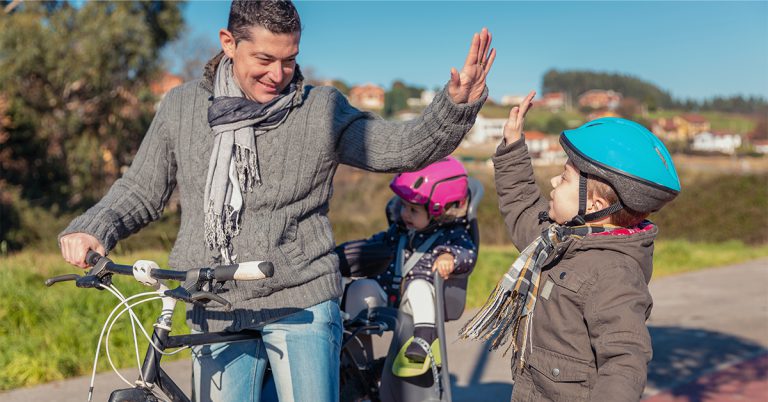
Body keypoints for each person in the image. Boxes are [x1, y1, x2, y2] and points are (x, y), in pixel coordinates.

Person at [58, 1, 495, 401]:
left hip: (300, 298)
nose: (278, 74)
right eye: (264, 59)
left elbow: (398, 148)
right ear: (229, 43)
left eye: (289, 60)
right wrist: (94, 227)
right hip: (214, 301)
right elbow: (141, 189)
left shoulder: (321, 110)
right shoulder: (181, 107)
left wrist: (455, 106)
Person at [459, 91, 681, 401]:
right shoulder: (558, 241)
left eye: (564, 178)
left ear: (595, 204)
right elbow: (523, 204)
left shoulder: (615, 274)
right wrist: (512, 146)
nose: (553, 182)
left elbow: (624, 361)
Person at [337, 156, 477, 365]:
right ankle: (355, 352)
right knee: (360, 287)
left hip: (417, 303)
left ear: (439, 211)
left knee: (419, 287)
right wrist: (342, 255)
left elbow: (468, 252)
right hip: (388, 293)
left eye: (413, 210)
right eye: (403, 206)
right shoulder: (399, 231)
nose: (405, 214)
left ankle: (423, 339)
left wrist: (450, 257)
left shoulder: (451, 236)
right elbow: (374, 245)